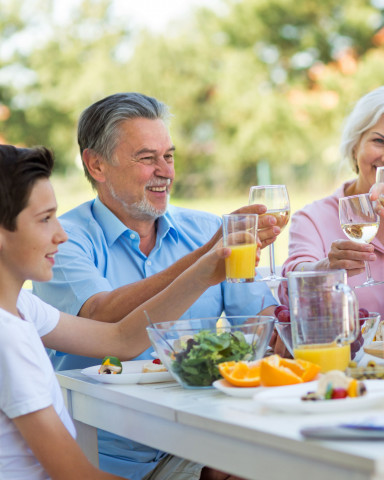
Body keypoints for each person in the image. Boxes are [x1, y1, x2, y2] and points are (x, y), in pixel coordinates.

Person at [32, 92, 277, 479]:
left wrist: (309, 292)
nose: (165, 171)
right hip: (101, 456)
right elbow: (100, 314)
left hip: (197, 442)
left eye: (169, 156)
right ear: (96, 164)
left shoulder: (207, 228)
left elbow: (262, 318)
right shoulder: (62, 238)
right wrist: (202, 260)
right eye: (147, 158)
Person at [0, 144, 242, 480]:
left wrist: (203, 274)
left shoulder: (21, 307)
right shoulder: (7, 337)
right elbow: (77, 476)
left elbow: (121, 338)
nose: (61, 234)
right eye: (45, 219)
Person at [279, 84, 384, 319]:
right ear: (355, 145)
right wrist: (325, 268)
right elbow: (292, 287)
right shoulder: (313, 218)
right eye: (379, 141)